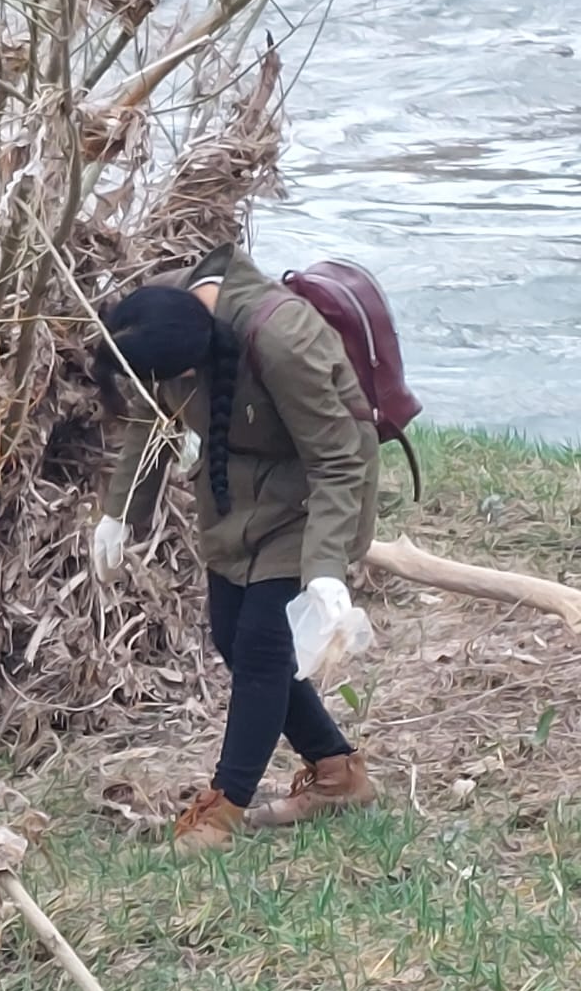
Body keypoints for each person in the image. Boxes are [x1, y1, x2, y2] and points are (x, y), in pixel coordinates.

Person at [90, 241, 379, 854]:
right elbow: (152, 416)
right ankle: (337, 772)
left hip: (313, 495)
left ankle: (223, 811)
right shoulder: (162, 311)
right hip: (234, 493)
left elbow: (337, 460)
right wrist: (121, 514)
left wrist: (327, 570)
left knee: (261, 647)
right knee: (231, 635)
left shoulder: (283, 338)